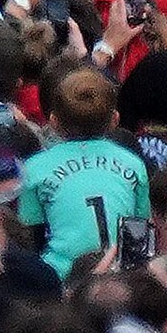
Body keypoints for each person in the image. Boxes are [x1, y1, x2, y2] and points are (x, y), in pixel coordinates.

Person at [12, 66, 154, 279]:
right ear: (114, 120)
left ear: (53, 122)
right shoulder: (133, 163)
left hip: (61, 276)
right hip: (121, 278)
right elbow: (140, 233)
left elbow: (31, 238)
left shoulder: (34, 168)